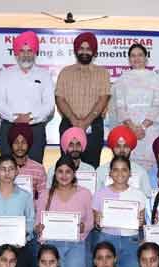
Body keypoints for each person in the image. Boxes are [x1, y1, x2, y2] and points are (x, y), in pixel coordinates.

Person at [0, 31, 55, 163]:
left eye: (29, 51)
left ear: (35, 52)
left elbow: (49, 104)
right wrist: (15, 117)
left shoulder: (44, 75)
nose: (26, 54)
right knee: (7, 166)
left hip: (35, 128)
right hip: (10, 127)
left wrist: (31, 117)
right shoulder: (5, 74)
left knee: (35, 167)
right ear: (16, 53)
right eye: (22, 51)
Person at [108, 43, 159, 169]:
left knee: (151, 167)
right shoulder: (122, 80)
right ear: (129, 59)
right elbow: (120, 106)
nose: (136, 58)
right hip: (128, 130)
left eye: (140, 55)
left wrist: (142, 127)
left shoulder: (156, 79)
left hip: (150, 130)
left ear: (146, 58)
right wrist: (132, 128)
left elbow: (158, 105)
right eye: (133, 55)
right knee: (128, 168)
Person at [56, 32, 111, 168]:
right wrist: (74, 120)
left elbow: (103, 99)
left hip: (94, 125)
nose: (84, 52)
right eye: (81, 48)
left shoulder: (103, 73)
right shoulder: (65, 72)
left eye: (88, 49)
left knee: (91, 166)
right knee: (67, 166)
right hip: (69, 123)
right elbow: (59, 98)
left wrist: (86, 122)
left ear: (94, 51)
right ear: (76, 50)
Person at [35, 157, 94, 267]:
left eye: (68, 172)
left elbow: (90, 221)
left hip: (76, 246)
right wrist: (39, 228)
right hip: (51, 246)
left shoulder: (85, 193)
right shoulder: (45, 194)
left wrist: (83, 227)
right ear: (55, 173)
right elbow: (37, 222)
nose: (64, 175)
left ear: (74, 174)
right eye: (60, 171)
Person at [92, 156, 148, 267]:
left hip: (131, 241)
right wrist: (97, 221)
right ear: (110, 173)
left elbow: (143, 223)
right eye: (116, 169)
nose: (120, 173)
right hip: (107, 239)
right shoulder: (100, 193)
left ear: (130, 173)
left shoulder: (139, 195)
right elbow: (95, 223)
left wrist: (141, 222)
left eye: (124, 170)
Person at [96, 125, 152, 193]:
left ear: (131, 148)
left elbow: (146, 197)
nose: (122, 150)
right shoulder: (100, 171)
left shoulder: (141, 172)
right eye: (118, 146)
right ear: (112, 148)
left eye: (125, 146)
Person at [5, 124, 47, 202]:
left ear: (29, 144)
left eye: (23, 142)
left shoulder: (38, 169)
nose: (20, 146)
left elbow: (43, 199)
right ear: (11, 144)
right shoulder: (1, 168)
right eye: (16, 142)